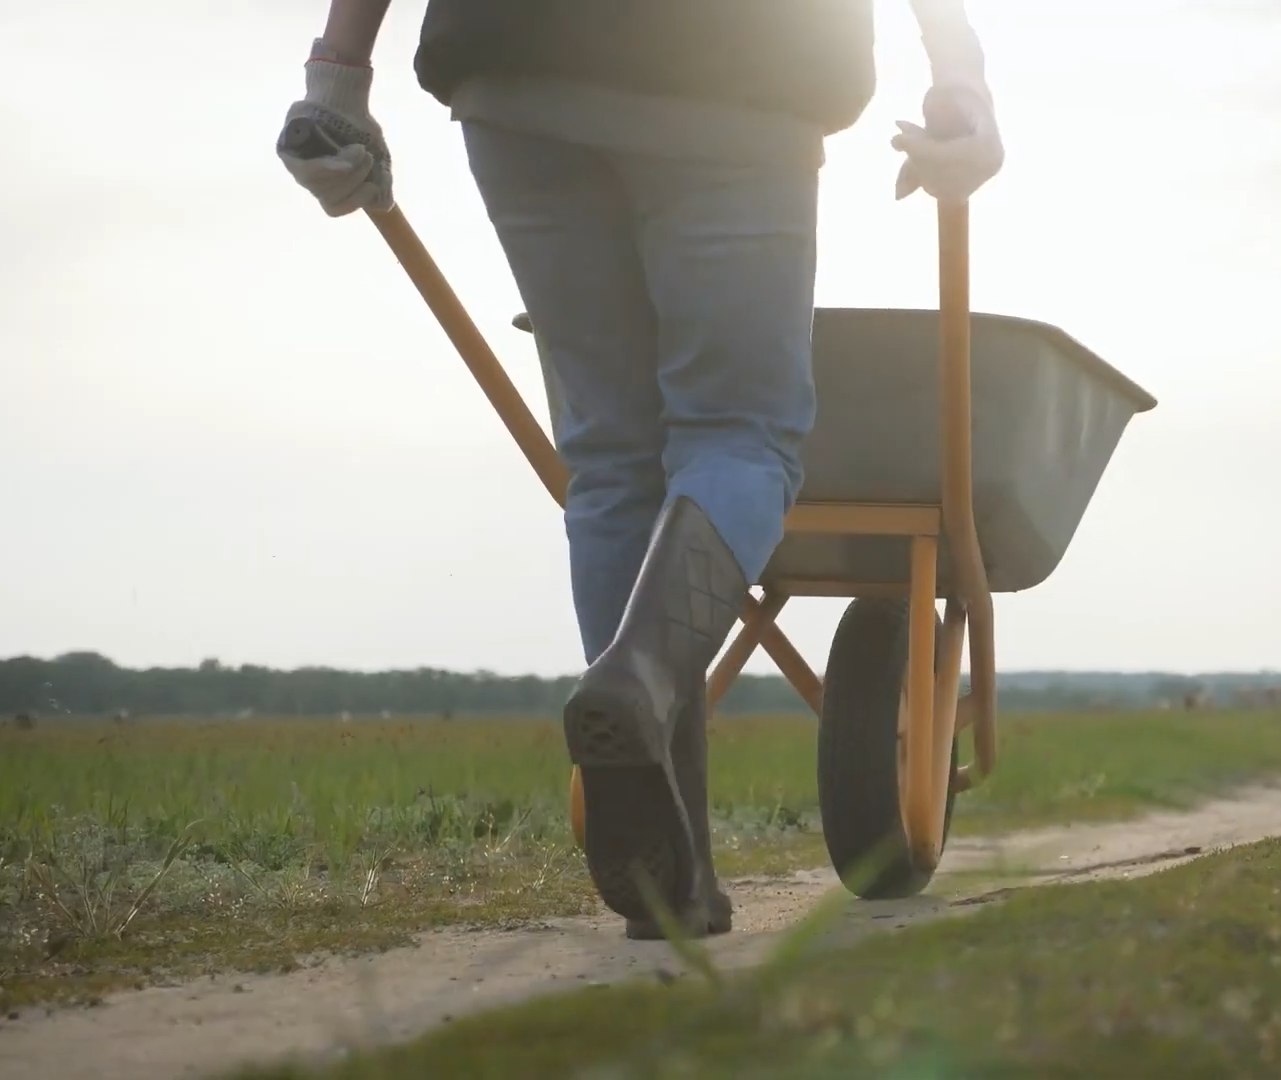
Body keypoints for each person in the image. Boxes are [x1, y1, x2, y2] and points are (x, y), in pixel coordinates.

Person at [276, 0, 1004, 940]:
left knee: (614, 461)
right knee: (744, 433)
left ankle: (682, 873)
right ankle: (644, 673)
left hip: (515, 64)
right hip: (740, 61)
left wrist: (338, 74)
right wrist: (959, 69)